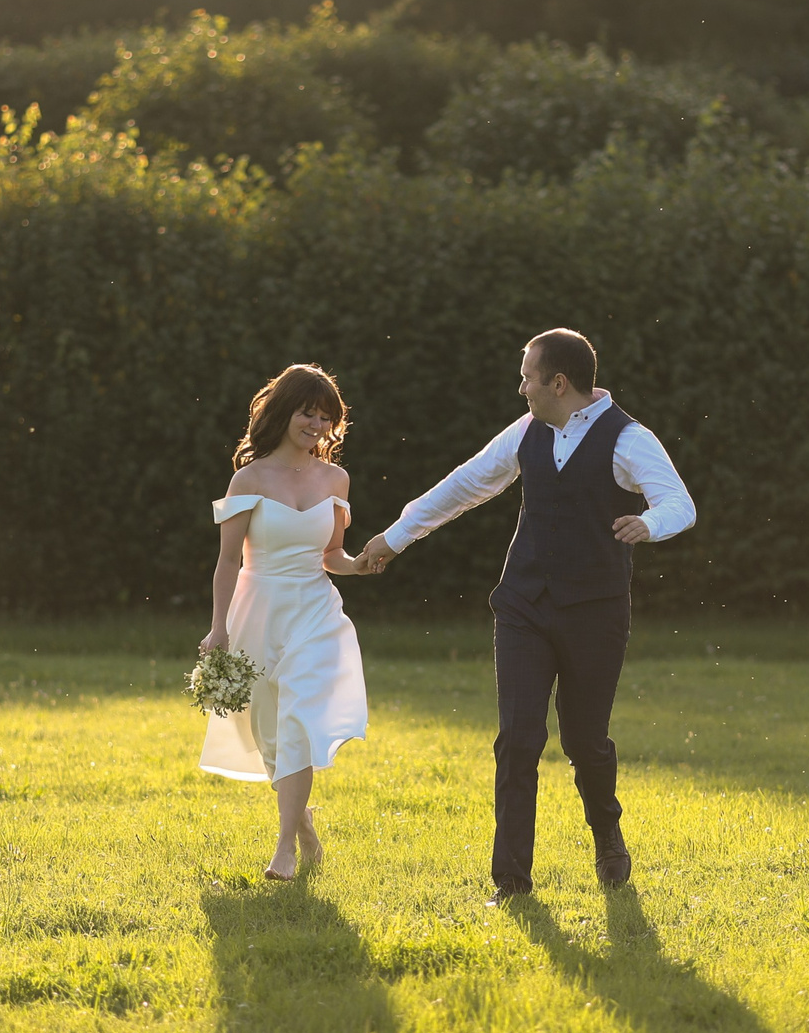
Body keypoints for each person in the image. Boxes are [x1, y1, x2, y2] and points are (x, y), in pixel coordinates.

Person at [358, 329, 695, 904]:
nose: (521, 388)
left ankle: (607, 837)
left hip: (595, 613)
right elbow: (464, 485)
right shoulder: (526, 432)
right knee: (518, 738)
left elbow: (679, 503)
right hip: (523, 606)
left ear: (557, 383)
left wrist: (649, 524)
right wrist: (394, 539)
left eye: (527, 378)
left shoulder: (629, 440)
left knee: (586, 739)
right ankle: (511, 882)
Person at [199, 363, 377, 881]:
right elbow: (228, 560)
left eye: (326, 417)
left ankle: (284, 852)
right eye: (308, 413)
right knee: (272, 736)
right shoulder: (248, 479)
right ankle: (304, 827)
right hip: (258, 611)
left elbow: (333, 555)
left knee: (297, 717)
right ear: (284, 411)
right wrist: (218, 628)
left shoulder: (336, 478)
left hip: (316, 612)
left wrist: (361, 563)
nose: (317, 425)